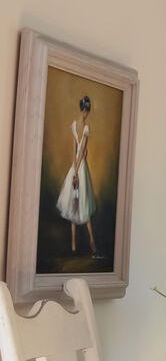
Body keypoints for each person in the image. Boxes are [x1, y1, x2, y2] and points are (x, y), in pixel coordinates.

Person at [53, 95, 97, 256]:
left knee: (78, 203)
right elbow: (80, 153)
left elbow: (78, 151)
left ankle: (79, 243)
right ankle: (85, 242)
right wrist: (77, 171)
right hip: (79, 167)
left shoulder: (77, 126)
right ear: (84, 110)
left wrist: (75, 169)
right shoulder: (84, 128)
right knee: (79, 203)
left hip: (76, 167)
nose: (86, 114)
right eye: (86, 111)